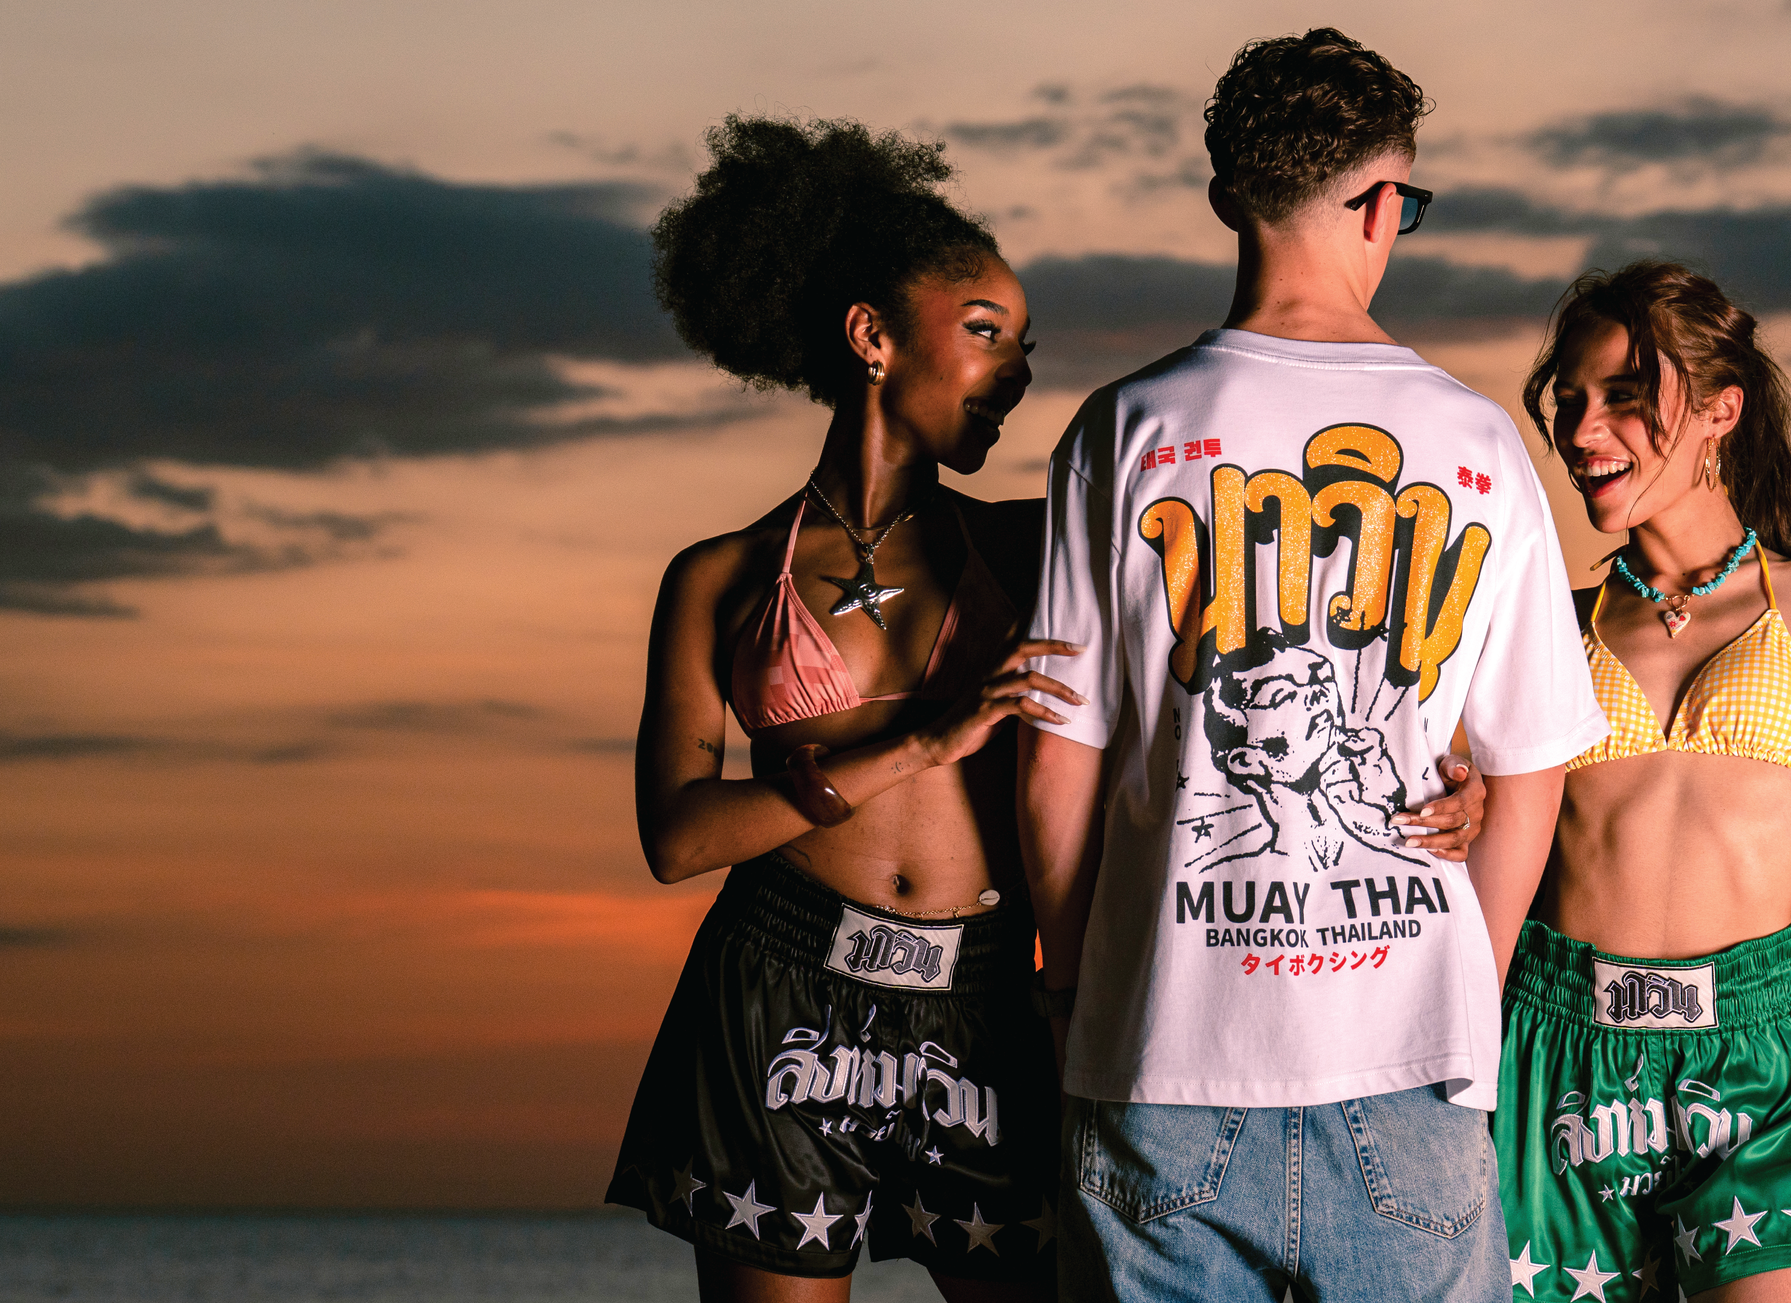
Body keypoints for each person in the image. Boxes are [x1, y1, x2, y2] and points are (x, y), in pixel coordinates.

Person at [598, 113, 1497, 1303]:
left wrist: (1448, 765)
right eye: (984, 333)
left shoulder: (1042, 538)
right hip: (779, 992)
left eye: (1025, 347)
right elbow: (676, 837)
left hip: (983, 997)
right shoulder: (718, 575)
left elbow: (1262, 634)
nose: (1016, 372)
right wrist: (919, 742)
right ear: (872, 336)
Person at [1015, 29, 1609, 1303]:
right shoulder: (1477, 441)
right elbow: (1533, 771)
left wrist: (1073, 993)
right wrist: (1462, 989)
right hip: (1411, 1071)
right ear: (1383, 205)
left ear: (1229, 196)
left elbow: (1056, 765)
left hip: (1161, 1058)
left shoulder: (1122, 431)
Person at [1492, 261, 1791, 1301]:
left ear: (1720, 412)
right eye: (1570, 400)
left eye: (1623, 396)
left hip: (1762, 1062)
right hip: (1557, 1052)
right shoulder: (1550, 625)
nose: (1582, 430)